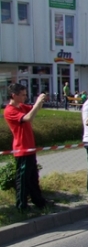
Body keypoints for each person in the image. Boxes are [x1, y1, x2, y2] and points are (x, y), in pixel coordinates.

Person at [4, 83, 54, 212]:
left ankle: (39, 201)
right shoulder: (10, 110)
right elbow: (28, 118)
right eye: (23, 95)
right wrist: (37, 103)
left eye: (25, 94)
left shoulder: (21, 106)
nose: (25, 97)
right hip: (22, 148)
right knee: (23, 179)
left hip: (29, 147)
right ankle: (22, 206)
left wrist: (41, 100)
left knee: (33, 177)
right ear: (13, 95)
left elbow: (34, 110)